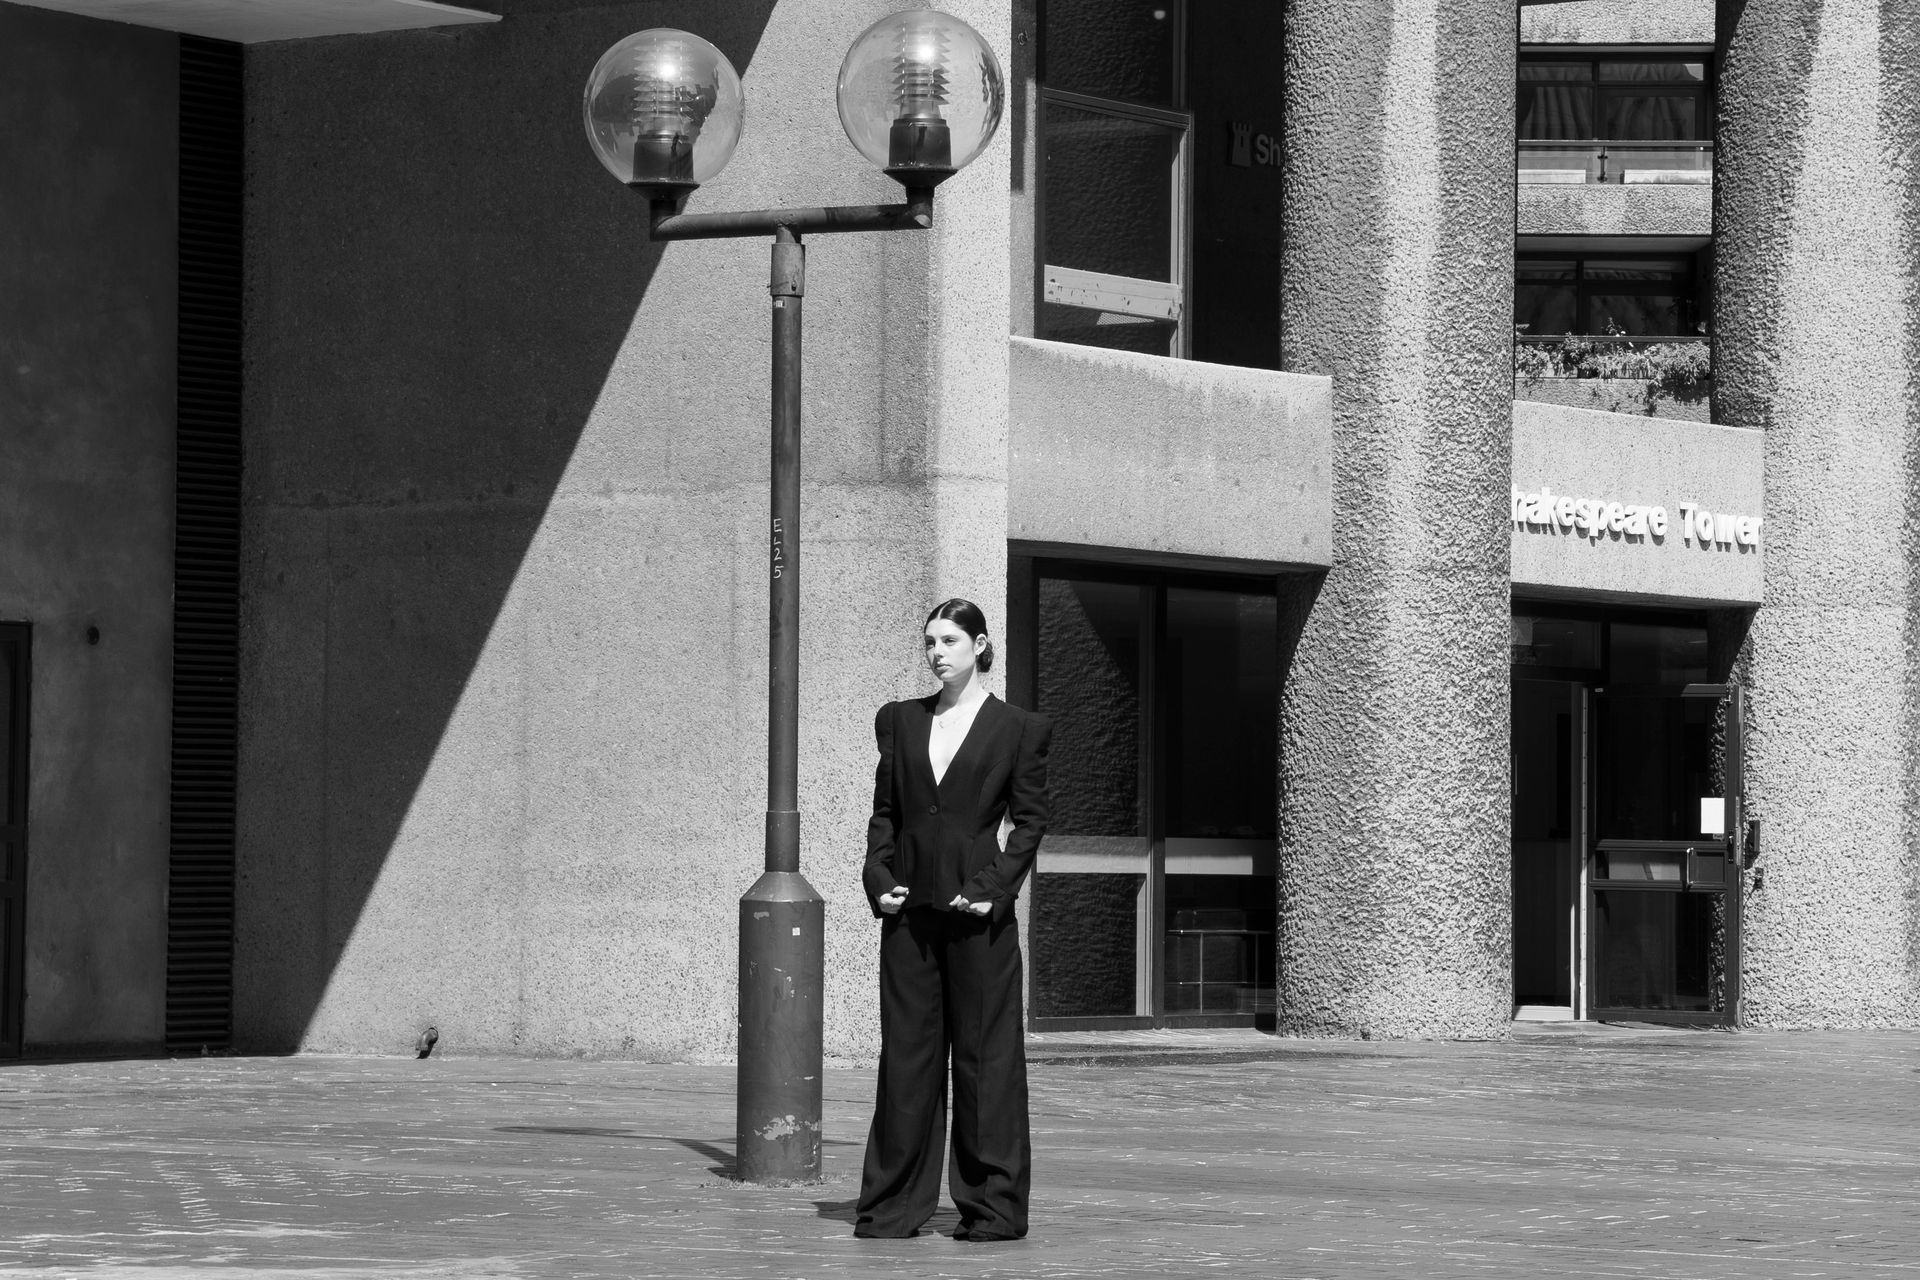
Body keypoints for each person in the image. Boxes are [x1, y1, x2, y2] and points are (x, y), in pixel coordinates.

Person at [853, 598, 1052, 1242]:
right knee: (907, 1060)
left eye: (949, 641)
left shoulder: (1017, 728)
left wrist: (993, 889)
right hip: (909, 914)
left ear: (980, 646)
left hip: (979, 918)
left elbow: (1029, 822)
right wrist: (878, 881)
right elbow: (886, 815)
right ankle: (892, 1208)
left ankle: (992, 1207)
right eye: (929, 642)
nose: (936, 653)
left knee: (984, 1060)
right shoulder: (900, 722)